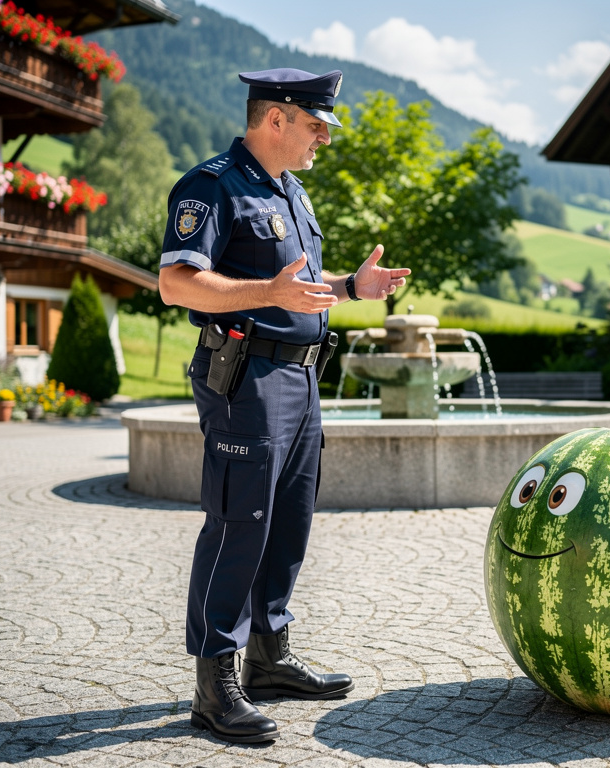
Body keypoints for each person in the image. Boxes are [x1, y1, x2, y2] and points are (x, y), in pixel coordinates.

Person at [158, 66, 410, 745]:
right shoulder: (213, 185)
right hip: (247, 378)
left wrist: (352, 287)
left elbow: (296, 285)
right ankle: (215, 686)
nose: (324, 138)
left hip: (301, 380)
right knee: (241, 521)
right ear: (277, 118)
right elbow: (177, 283)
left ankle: (269, 658)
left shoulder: (292, 192)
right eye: (318, 125)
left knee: (289, 519)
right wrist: (267, 294)